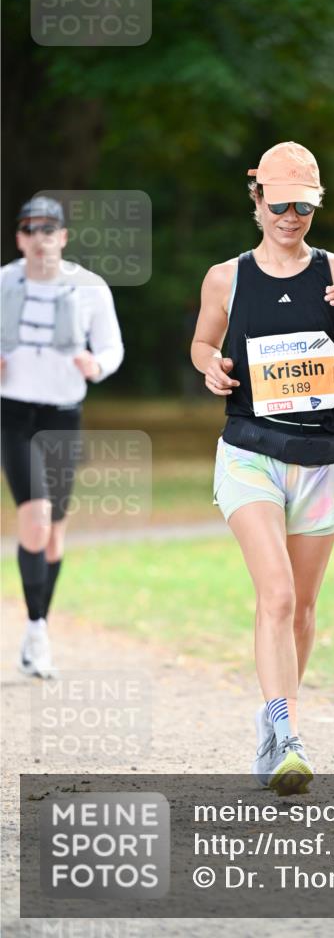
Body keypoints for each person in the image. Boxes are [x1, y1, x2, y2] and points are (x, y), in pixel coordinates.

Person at [190, 142, 334, 795]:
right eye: (278, 204)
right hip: (250, 452)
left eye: (302, 207)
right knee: (276, 596)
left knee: (303, 609)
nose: (290, 217)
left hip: (321, 460)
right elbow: (203, 340)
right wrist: (210, 367)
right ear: (256, 201)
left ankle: (273, 721)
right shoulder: (226, 277)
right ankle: (288, 734)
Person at [1, 196, 124, 677]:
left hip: (64, 415)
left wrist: (97, 365)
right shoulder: (5, 282)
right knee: (35, 520)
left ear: (63, 237)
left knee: (54, 536)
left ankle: (38, 629)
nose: (39, 238)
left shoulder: (88, 288)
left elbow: (112, 347)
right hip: (13, 414)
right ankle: (36, 630)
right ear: (19, 238)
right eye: (30, 229)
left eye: (48, 229)